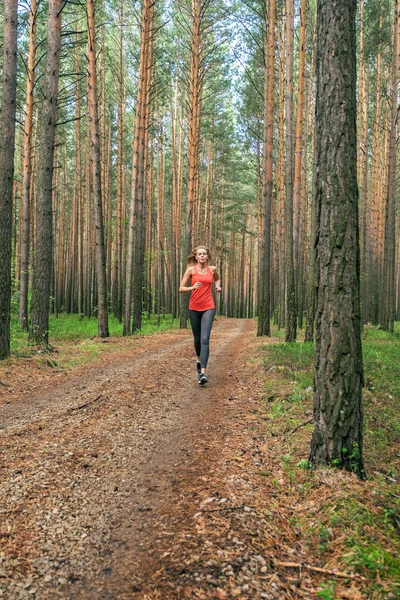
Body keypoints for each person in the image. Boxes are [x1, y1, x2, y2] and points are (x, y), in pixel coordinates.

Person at [179, 246, 221, 385]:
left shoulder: (212, 269)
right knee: (197, 340)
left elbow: (217, 279)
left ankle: (202, 373)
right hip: (194, 308)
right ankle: (199, 359)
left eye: (204, 254)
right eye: (199, 254)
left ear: (207, 256)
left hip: (209, 307)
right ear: (196, 257)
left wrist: (217, 286)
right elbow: (181, 288)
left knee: (204, 339)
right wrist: (192, 287)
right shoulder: (191, 270)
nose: (202, 256)